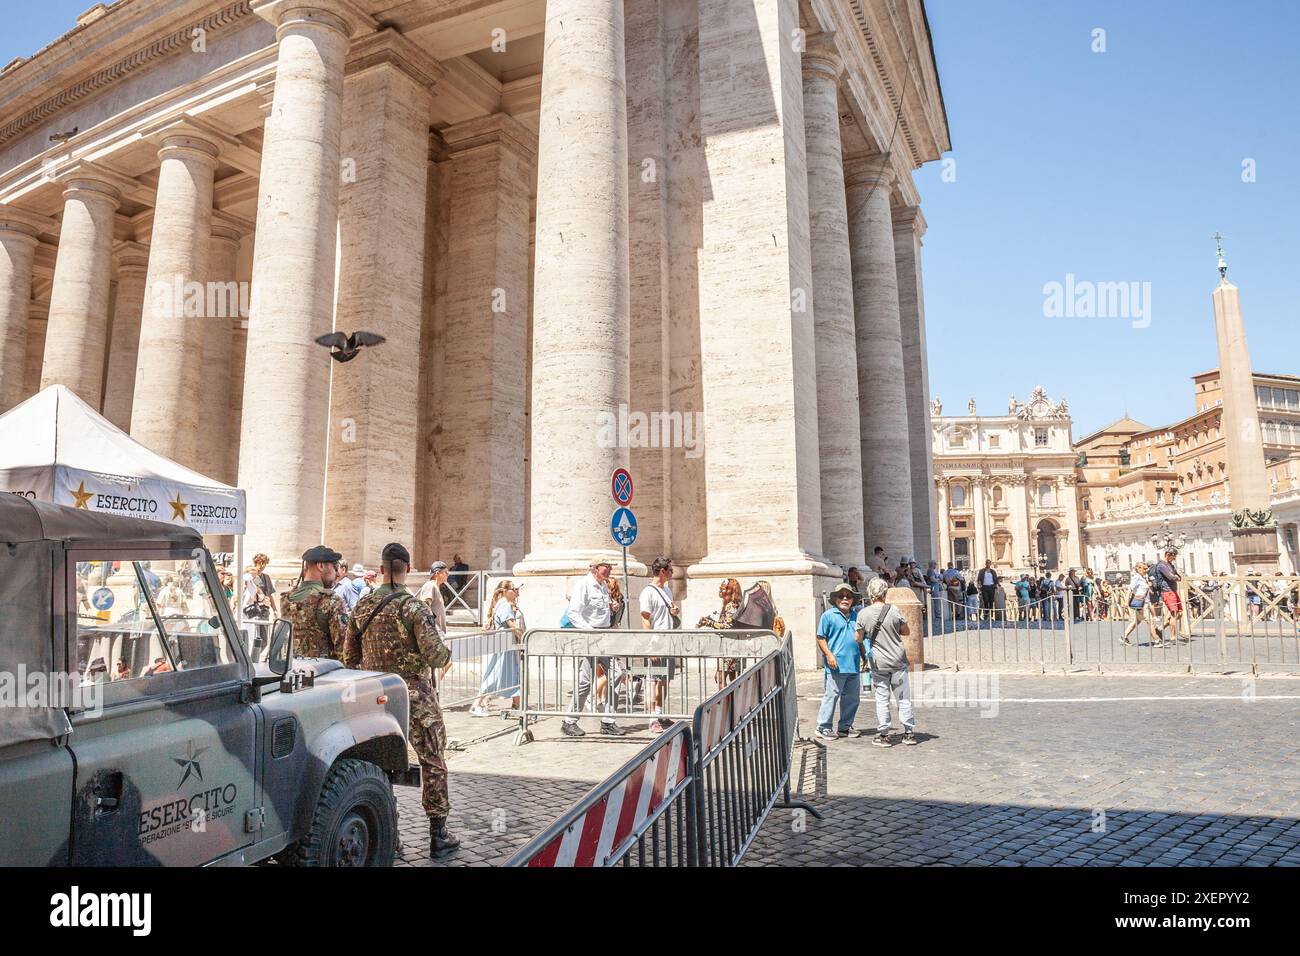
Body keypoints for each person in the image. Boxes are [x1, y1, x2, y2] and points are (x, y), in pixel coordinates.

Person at [344, 542, 459, 855]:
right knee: (433, 760)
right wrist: (445, 651)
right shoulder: (414, 608)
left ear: (382, 570)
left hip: (374, 696)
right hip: (415, 696)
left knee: (376, 765)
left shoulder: (362, 606)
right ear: (407, 570)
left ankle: (388, 836)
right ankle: (438, 834)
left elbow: (349, 657)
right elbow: (436, 655)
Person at [561, 561, 625, 737]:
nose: (610, 570)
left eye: (611, 567)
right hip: (590, 638)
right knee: (585, 682)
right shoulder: (583, 585)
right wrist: (589, 632)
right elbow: (574, 613)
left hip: (604, 637)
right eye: (607, 567)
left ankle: (608, 721)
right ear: (596, 568)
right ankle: (569, 721)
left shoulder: (603, 585)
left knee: (617, 673)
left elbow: (598, 612)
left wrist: (612, 609)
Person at [855, 577, 917, 747]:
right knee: (903, 697)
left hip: (878, 662)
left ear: (870, 594)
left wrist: (869, 634)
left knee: (882, 698)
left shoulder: (863, 613)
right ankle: (909, 733)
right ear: (885, 593)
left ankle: (884, 734)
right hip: (897, 660)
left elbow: (858, 638)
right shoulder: (894, 610)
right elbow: (906, 631)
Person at [279, 545, 349, 659]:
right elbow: (345, 649)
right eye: (335, 568)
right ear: (321, 566)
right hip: (325, 672)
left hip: (294, 671)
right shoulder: (331, 601)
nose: (337, 574)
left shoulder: (286, 599)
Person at [814, 583, 864, 741]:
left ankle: (845, 727)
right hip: (835, 665)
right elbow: (820, 637)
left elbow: (861, 640)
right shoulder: (828, 616)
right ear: (835, 599)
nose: (845, 599)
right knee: (832, 696)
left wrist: (865, 658)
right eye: (841, 596)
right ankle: (823, 727)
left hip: (854, 665)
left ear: (852, 600)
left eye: (848, 596)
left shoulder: (857, 616)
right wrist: (829, 655)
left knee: (852, 698)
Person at [639, 556, 680, 733]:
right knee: (653, 681)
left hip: (668, 641)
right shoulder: (647, 592)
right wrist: (651, 645)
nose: (672, 573)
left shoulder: (667, 590)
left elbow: (667, 613)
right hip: (656, 642)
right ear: (662, 571)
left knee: (664, 680)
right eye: (670, 570)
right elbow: (645, 620)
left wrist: (674, 611)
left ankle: (660, 713)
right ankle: (652, 719)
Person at [472, 580, 523, 715]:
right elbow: (512, 625)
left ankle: (517, 704)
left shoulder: (503, 604)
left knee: (513, 673)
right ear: (505, 591)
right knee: (496, 673)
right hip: (505, 644)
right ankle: (476, 704)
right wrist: (524, 638)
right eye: (514, 588)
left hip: (506, 644)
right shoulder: (505, 605)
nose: (517, 591)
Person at [698, 577, 743, 686]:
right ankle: (735, 702)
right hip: (733, 647)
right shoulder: (733, 604)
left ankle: (726, 703)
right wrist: (711, 621)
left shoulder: (730, 606)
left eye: (722, 589)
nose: (720, 591)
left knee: (720, 678)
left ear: (729, 590)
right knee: (734, 679)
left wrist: (709, 623)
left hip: (729, 648)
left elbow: (727, 626)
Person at [242, 553, 278, 661]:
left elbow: (269, 594)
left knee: (264, 639)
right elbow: (257, 591)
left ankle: (253, 657)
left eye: (264, 564)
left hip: (264, 610)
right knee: (254, 637)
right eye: (260, 563)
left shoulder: (265, 577)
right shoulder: (250, 575)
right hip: (253, 610)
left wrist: (275, 609)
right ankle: (251, 659)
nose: (262, 566)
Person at [1120, 562, 1161, 647]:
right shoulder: (1136, 577)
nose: (1147, 570)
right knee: (1149, 621)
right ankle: (1157, 640)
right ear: (1138, 569)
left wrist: (1149, 587)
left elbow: (1142, 589)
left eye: (1147, 568)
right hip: (1140, 603)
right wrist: (1126, 602)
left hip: (1144, 602)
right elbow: (1130, 589)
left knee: (1136, 622)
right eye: (1144, 569)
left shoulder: (1143, 578)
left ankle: (1124, 637)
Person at [1154, 549, 1186, 643]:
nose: (1175, 558)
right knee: (1174, 613)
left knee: (1179, 613)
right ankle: (1172, 637)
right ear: (1168, 554)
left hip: (1173, 591)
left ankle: (1160, 628)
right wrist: (1175, 577)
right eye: (1173, 556)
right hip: (1167, 591)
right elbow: (1171, 577)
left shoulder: (1170, 565)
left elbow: (1177, 576)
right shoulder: (1161, 565)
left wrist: (1175, 577)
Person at [416, 561, 450, 635]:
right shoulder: (430, 585)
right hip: (434, 633)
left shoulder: (435, 586)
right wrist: (434, 628)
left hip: (438, 633)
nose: (448, 574)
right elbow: (424, 608)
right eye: (445, 572)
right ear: (437, 573)